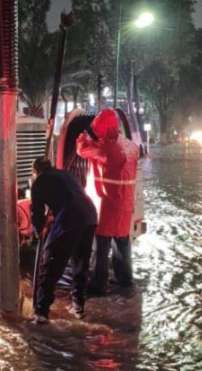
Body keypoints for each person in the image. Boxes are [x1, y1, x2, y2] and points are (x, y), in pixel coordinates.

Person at [76, 109, 139, 296]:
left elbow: (81, 150)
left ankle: (98, 285)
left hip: (108, 205)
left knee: (101, 246)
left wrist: (83, 136)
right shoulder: (131, 146)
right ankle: (125, 280)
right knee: (122, 242)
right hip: (126, 204)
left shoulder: (105, 148)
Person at [29, 157, 98, 324]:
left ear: (35, 171)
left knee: (49, 264)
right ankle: (78, 306)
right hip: (90, 217)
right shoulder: (67, 174)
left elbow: (37, 213)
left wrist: (38, 231)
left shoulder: (38, 182)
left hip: (70, 220)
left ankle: (41, 312)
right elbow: (70, 197)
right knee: (80, 264)